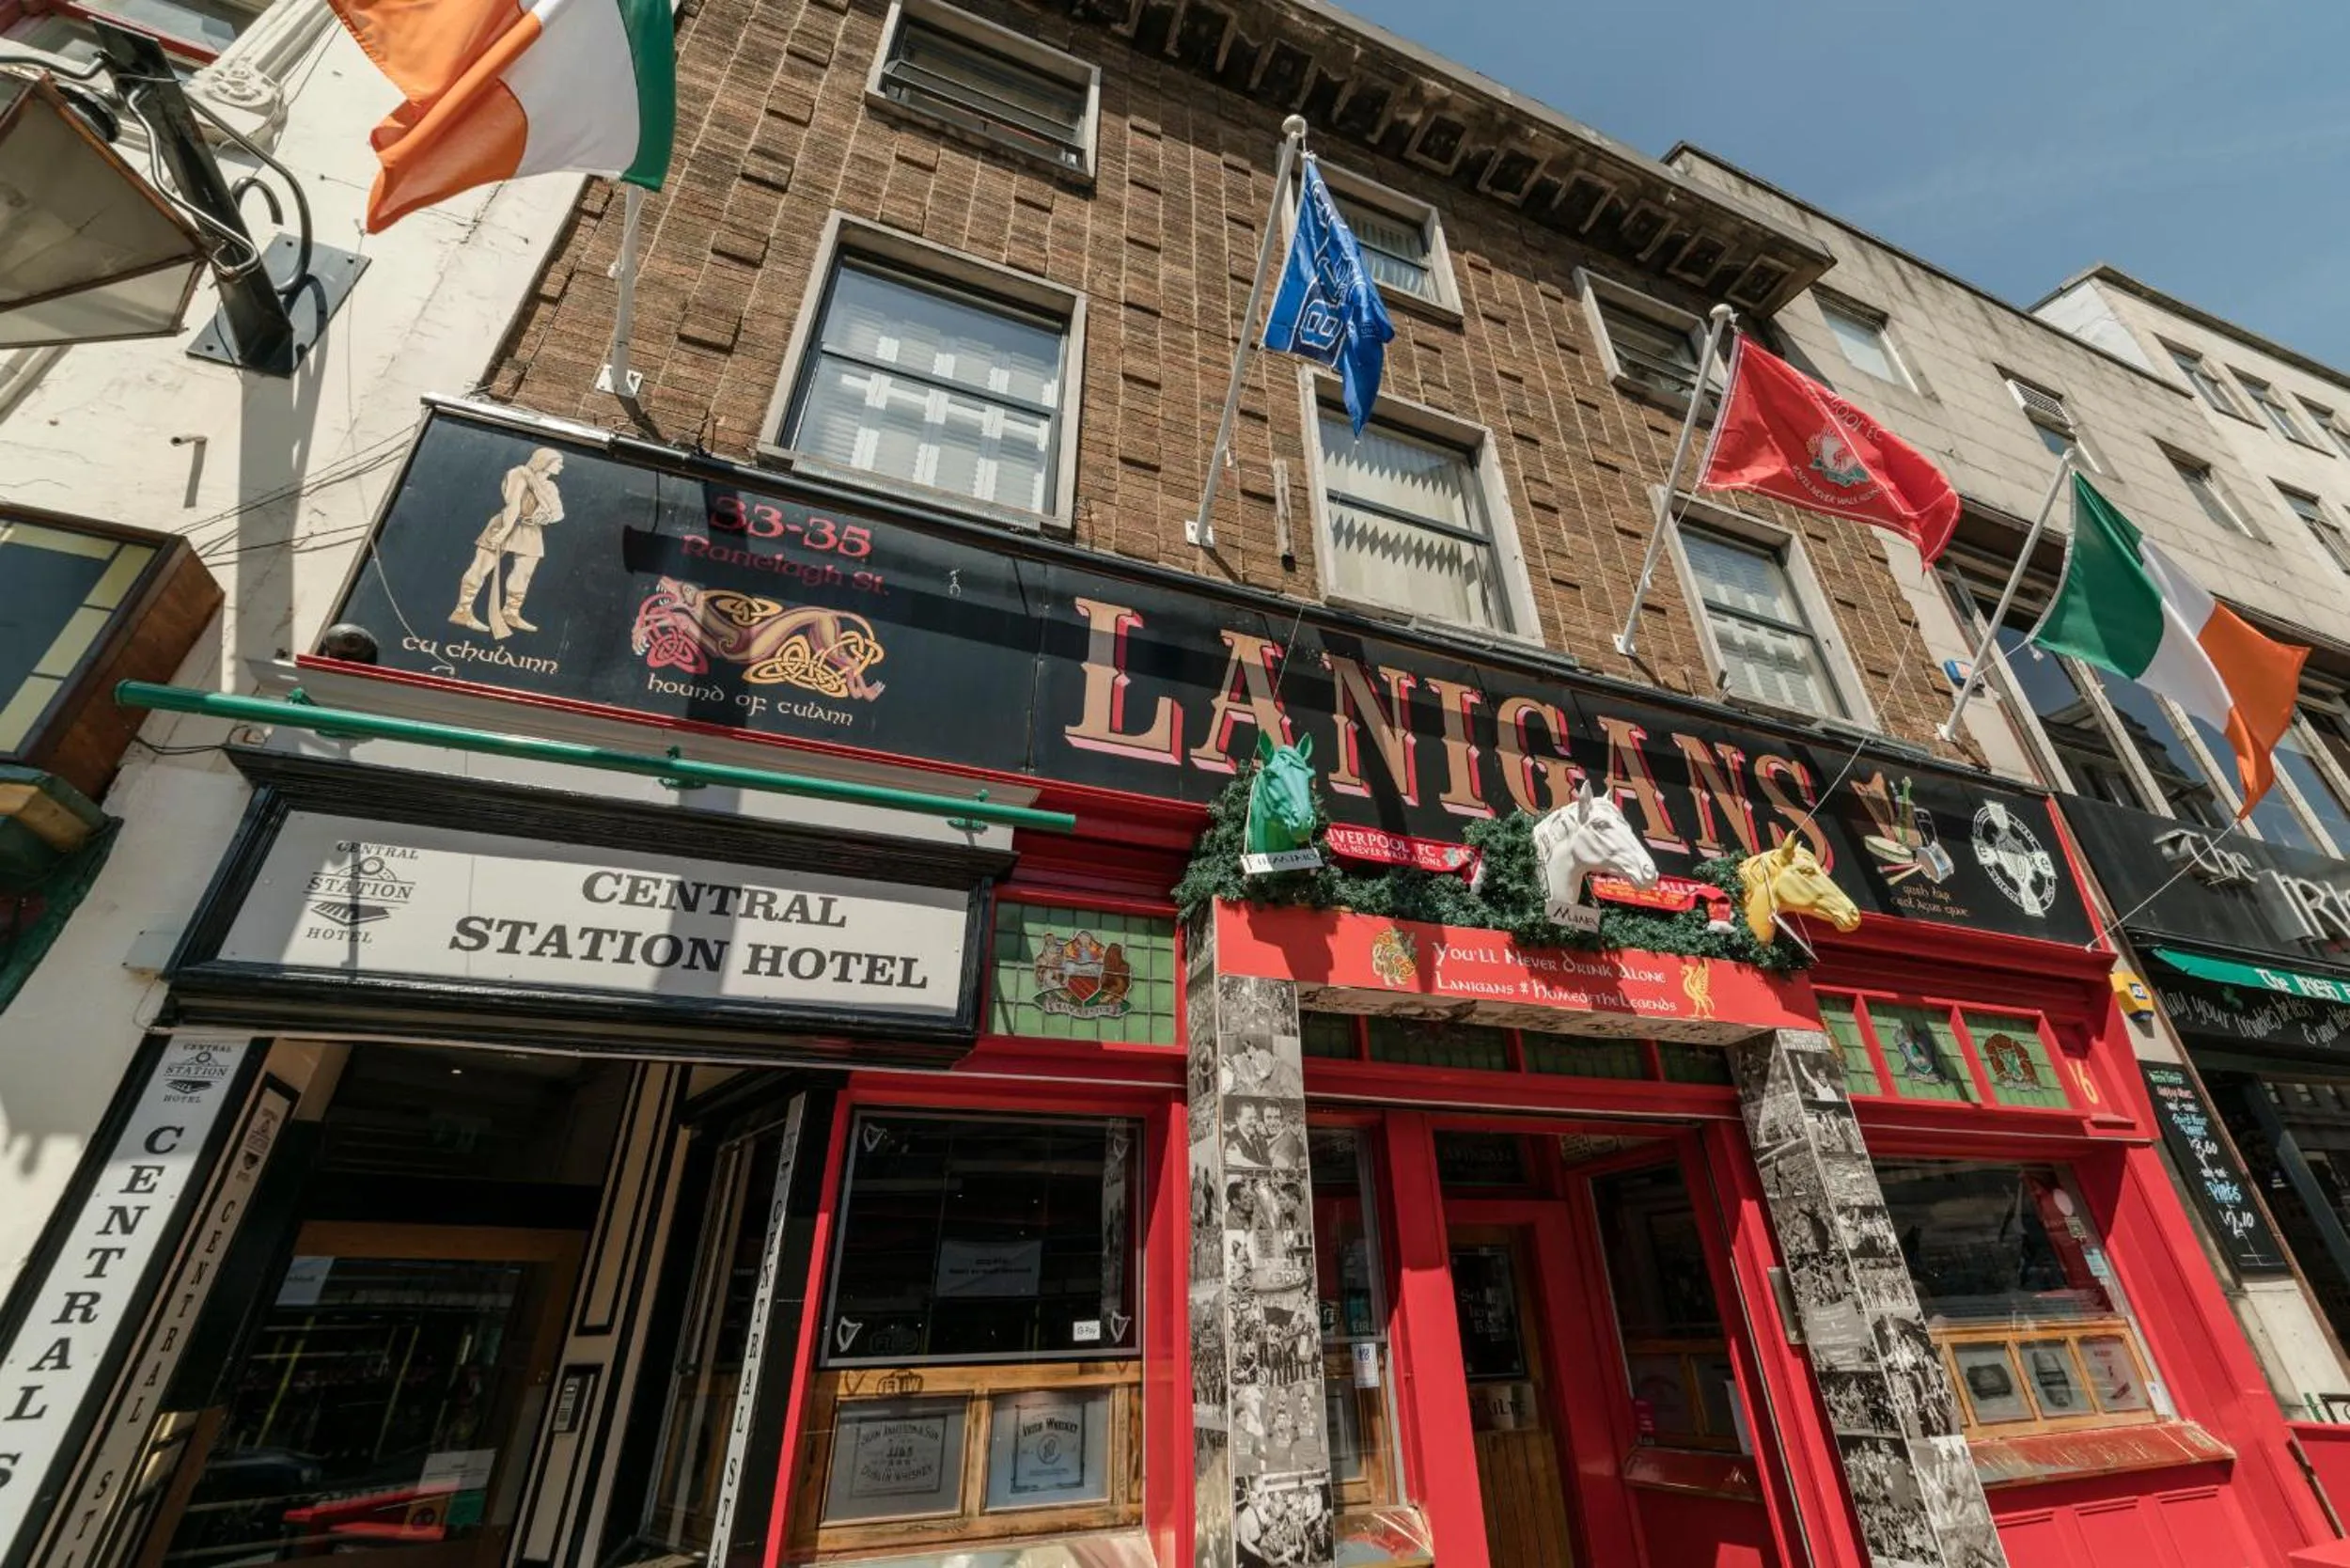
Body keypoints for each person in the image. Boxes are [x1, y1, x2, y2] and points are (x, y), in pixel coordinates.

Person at [453, 447, 565, 637]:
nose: (561, 467)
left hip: (530, 530)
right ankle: (463, 611)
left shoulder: (550, 487)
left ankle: (511, 613)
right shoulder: (518, 474)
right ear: (545, 461)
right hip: (506, 523)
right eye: (558, 462)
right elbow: (512, 505)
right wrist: (504, 531)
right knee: (480, 567)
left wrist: (545, 518)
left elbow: (558, 514)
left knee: (524, 573)